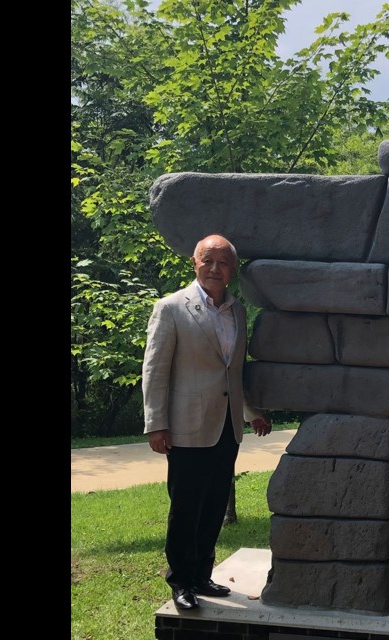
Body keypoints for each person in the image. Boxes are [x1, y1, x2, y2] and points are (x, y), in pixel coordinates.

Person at [142, 233, 272, 611]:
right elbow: (154, 370)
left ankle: (201, 574)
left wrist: (251, 413)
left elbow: (235, 371)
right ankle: (180, 580)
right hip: (185, 427)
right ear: (194, 264)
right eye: (208, 261)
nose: (215, 268)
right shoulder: (170, 308)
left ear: (232, 270)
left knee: (214, 504)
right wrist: (156, 423)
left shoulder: (237, 311)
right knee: (186, 505)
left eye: (224, 262)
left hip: (226, 427)